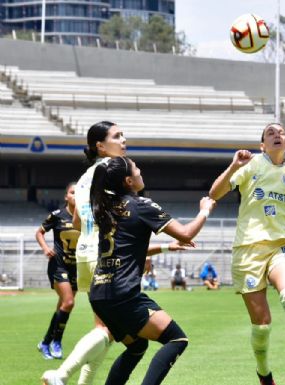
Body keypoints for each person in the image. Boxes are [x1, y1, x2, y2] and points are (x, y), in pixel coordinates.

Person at [41, 122, 186, 385]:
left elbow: (76, 222)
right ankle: (60, 375)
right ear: (100, 145)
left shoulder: (86, 176)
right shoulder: (113, 170)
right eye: (117, 136)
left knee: (110, 332)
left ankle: (77, 381)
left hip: (87, 250)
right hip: (106, 254)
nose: (123, 140)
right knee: (106, 331)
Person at [88, 156, 216, 384]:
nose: (140, 170)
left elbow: (128, 247)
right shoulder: (141, 205)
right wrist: (204, 211)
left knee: (137, 346)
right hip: (123, 294)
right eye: (136, 168)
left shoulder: (108, 207)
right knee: (177, 339)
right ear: (128, 180)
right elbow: (186, 233)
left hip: (99, 294)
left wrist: (167, 247)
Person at [209, 122, 285, 385]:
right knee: (262, 325)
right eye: (270, 133)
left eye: (281, 133)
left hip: (279, 245)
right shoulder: (253, 164)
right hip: (247, 250)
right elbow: (214, 193)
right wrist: (235, 165)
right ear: (262, 145)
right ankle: (264, 372)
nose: (277, 135)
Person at [36, 182, 79, 360]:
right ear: (66, 196)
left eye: (79, 193)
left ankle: (45, 342)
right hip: (58, 266)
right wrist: (46, 248)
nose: (75, 196)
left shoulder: (87, 218)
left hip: (77, 267)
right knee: (68, 303)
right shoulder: (57, 215)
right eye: (72, 192)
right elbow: (39, 232)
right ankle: (56, 341)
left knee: (63, 307)